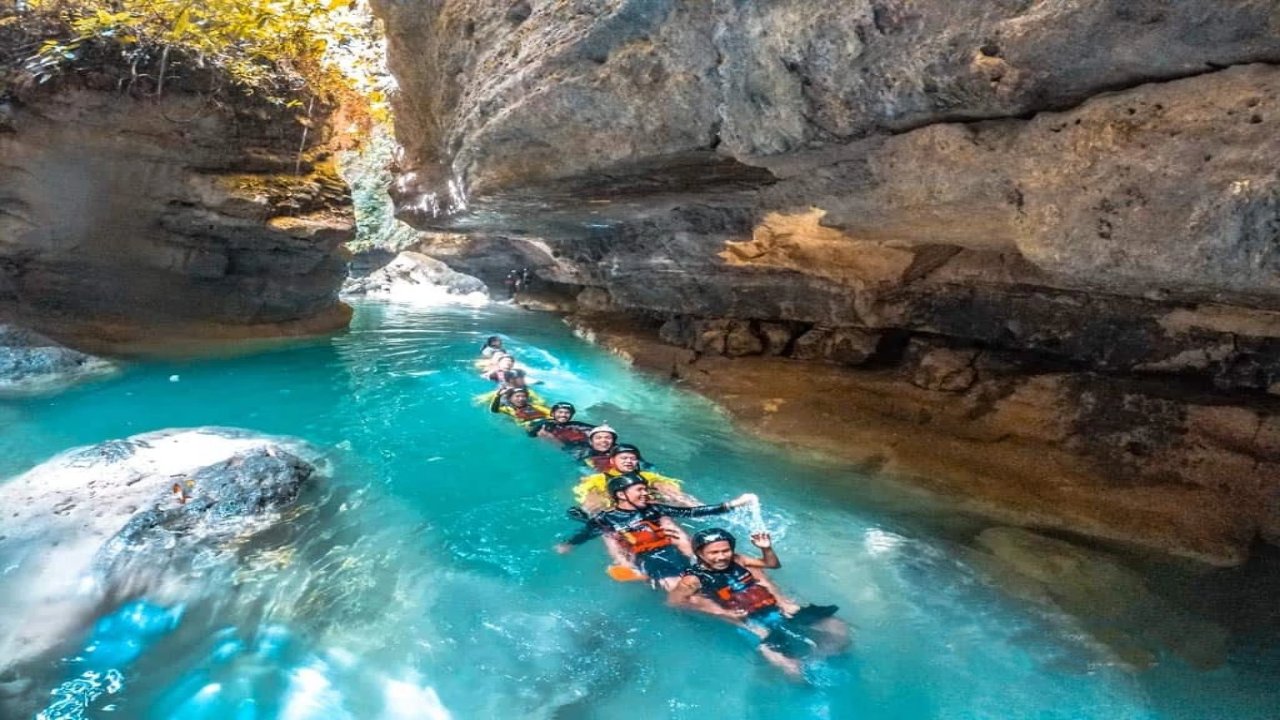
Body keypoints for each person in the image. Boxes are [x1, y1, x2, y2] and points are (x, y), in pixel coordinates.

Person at [667, 528, 848, 679]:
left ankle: (820, 658)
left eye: (725, 550)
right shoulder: (693, 579)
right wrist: (721, 613)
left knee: (837, 627)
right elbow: (673, 602)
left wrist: (766, 548)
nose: (722, 557)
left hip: (775, 610)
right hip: (750, 623)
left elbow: (772, 564)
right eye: (714, 552)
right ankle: (803, 690)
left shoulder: (738, 559)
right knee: (792, 669)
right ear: (700, 553)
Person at [555, 474, 755, 591]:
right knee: (681, 587)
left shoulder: (653, 509)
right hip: (647, 559)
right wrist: (567, 545)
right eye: (639, 490)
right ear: (620, 495)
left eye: (645, 489)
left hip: (671, 552)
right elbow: (585, 534)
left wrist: (732, 504)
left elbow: (692, 511)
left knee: (711, 579)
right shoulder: (605, 519)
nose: (645, 493)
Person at [572, 443, 695, 512]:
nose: (629, 461)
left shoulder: (647, 476)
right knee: (596, 497)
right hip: (618, 513)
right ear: (612, 461)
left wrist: (665, 489)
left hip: (651, 509)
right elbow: (590, 497)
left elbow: (663, 484)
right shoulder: (598, 479)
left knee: (664, 487)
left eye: (633, 458)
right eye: (624, 458)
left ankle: (699, 510)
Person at [529, 402, 595, 449]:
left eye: (567, 413)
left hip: (576, 446)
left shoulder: (576, 424)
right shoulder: (544, 424)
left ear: (571, 415)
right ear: (552, 414)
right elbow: (530, 434)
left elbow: (595, 429)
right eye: (560, 412)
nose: (563, 415)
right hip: (562, 447)